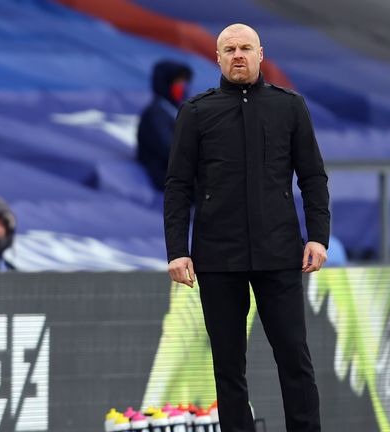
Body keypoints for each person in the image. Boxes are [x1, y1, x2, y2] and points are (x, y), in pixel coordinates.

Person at [163, 24, 329, 432]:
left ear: (260, 54)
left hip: (279, 253)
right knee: (228, 366)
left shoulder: (290, 106)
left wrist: (319, 237)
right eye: (229, 49)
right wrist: (176, 249)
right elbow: (178, 185)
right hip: (218, 258)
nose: (238, 55)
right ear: (217, 58)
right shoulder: (197, 112)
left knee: (294, 358)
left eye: (245, 48)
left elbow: (312, 176)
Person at [137, 60, 193, 190]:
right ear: (165, 84)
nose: (183, 87)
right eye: (178, 82)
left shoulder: (175, 111)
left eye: (184, 82)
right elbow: (171, 150)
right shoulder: (155, 115)